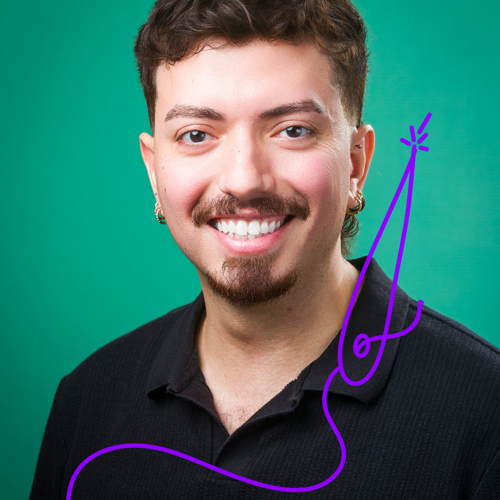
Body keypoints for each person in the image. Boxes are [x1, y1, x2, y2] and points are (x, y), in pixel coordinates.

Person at [29, 1, 500, 498]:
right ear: (153, 169)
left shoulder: (485, 412)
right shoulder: (87, 403)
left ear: (356, 163)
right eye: (196, 135)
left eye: (293, 130)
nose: (244, 179)